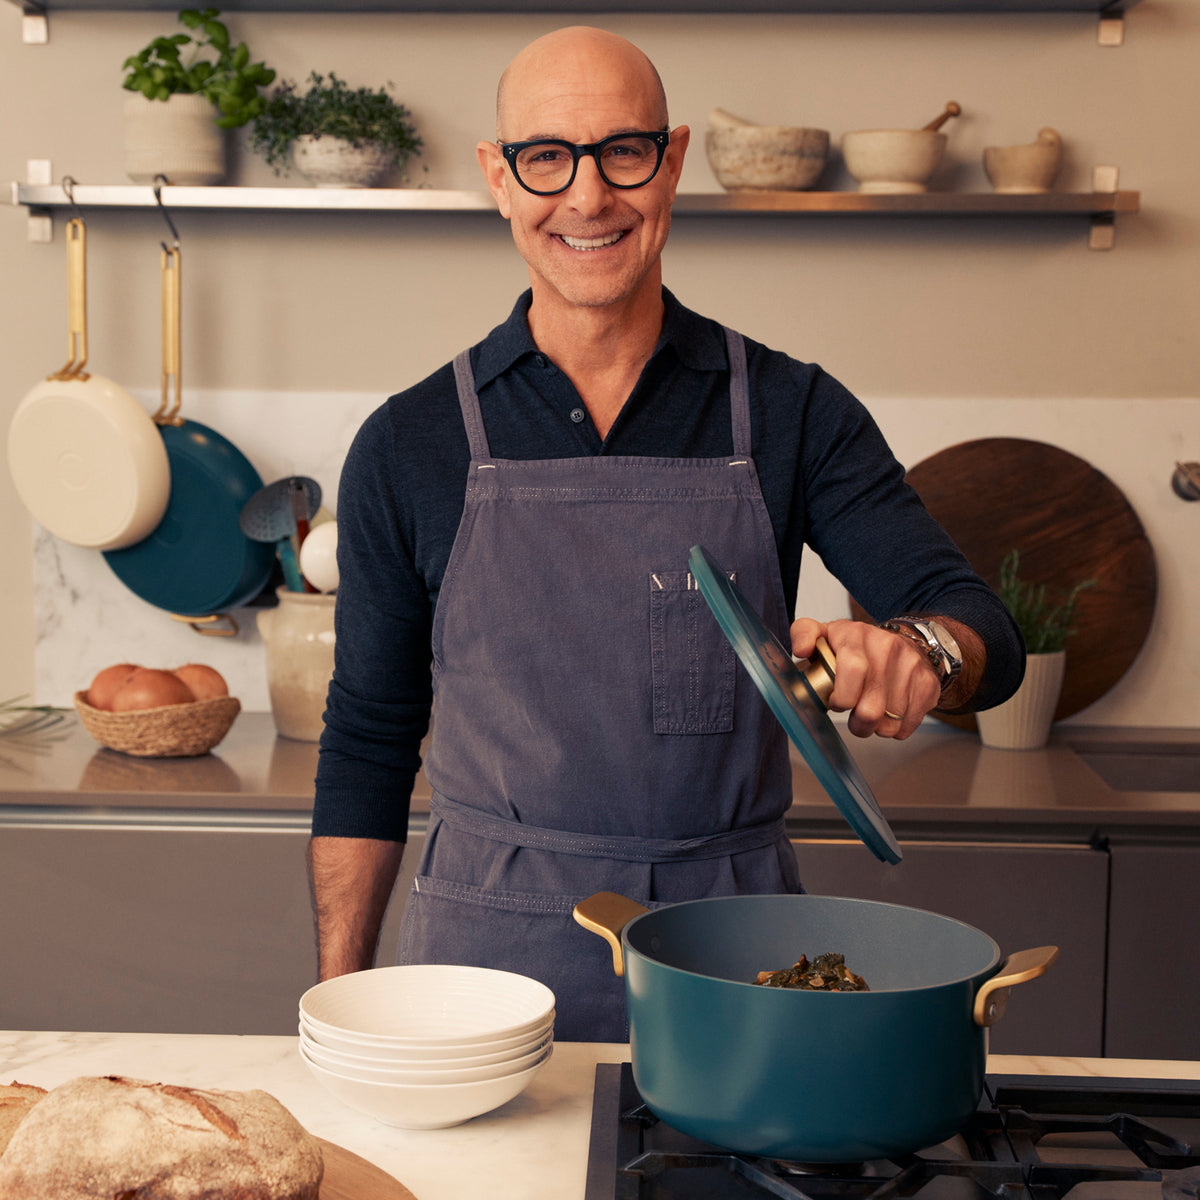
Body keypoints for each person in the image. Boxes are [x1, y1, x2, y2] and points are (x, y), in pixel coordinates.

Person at [310, 25, 1024, 1042]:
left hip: (735, 964)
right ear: (500, 179)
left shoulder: (793, 413)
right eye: (546, 157)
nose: (588, 196)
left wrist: (924, 653)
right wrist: (336, 1016)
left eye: (623, 152)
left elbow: (979, 628)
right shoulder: (408, 443)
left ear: (673, 160)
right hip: (481, 978)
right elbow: (368, 744)